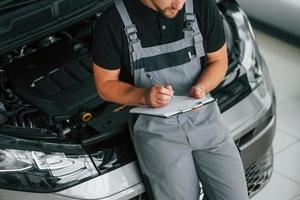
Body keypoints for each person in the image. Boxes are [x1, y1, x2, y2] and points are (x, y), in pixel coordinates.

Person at [92, 0, 250, 199]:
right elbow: (105, 86)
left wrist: (202, 86)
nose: (179, 4)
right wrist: (143, 96)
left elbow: (218, 60)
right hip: (157, 133)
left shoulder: (202, 6)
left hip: (206, 121)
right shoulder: (112, 21)